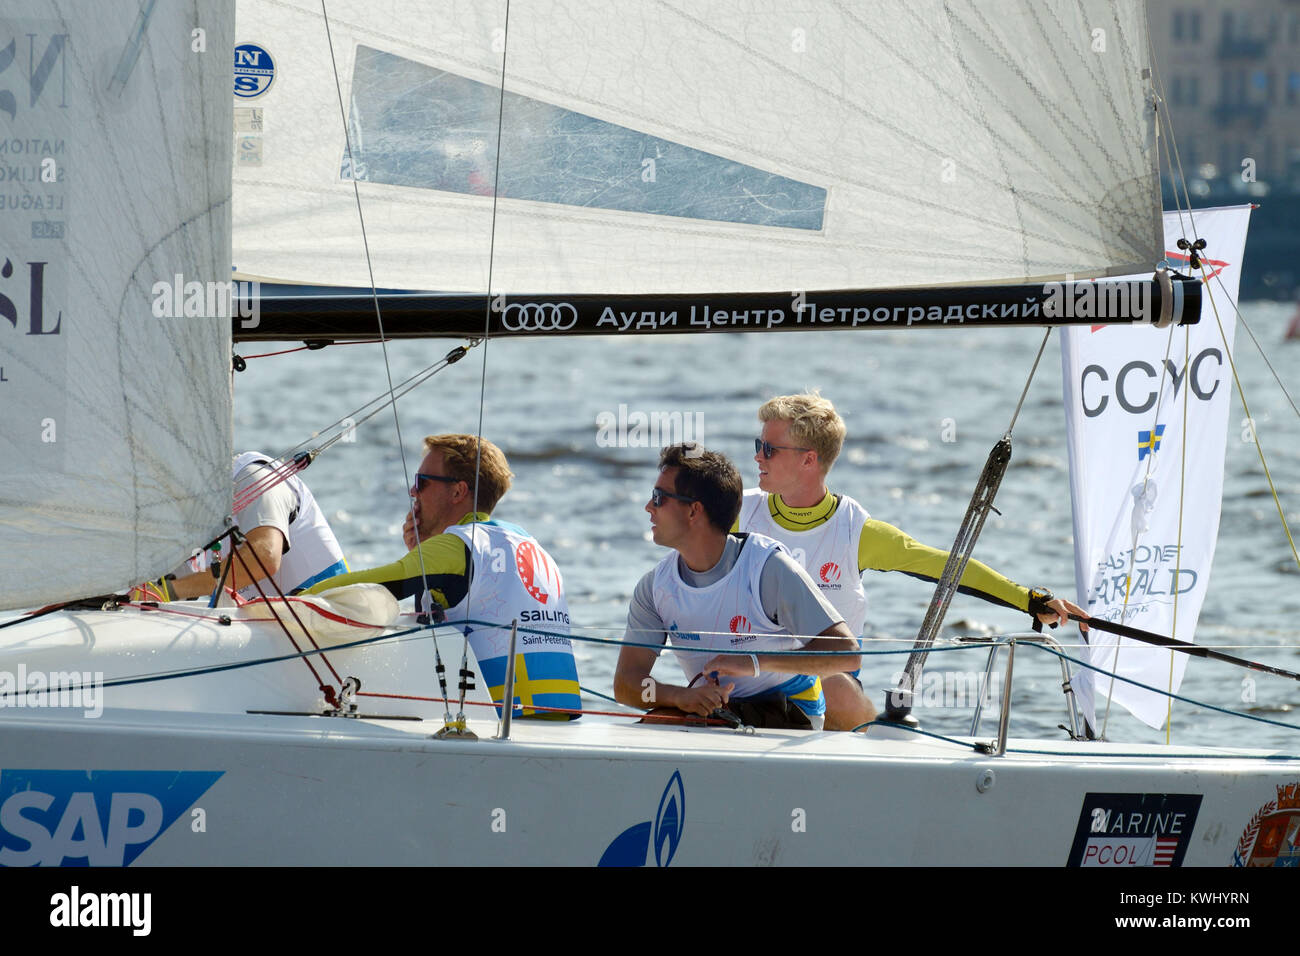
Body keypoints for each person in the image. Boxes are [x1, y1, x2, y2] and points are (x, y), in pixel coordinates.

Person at [738, 393, 1088, 729]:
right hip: (746, 680)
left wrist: (1029, 599)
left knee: (835, 687)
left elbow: (950, 568)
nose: (758, 457)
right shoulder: (737, 513)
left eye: (768, 449)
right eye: (758, 446)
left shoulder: (854, 531)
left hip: (828, 697)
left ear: (808, 459)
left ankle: (873, 753)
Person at [304, 434, 582, 719]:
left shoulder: (457, 546)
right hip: (559, 716)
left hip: (499, 721)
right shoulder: (532, 545)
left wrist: (292, 600)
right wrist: (424, 553)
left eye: (422, 481)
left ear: (458, 492)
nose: (413, 492)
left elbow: (372, 587)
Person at [613, 443, 861, 731]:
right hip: (721, 711)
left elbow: (847, 653)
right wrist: (681, 696)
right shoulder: (654, 587)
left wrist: (753, 662)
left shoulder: (769, 570)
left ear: (694, 511)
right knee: (650, 725)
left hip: (791, 711)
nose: (648, 507)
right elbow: (626, 684)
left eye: (659, 498)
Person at [161, 452, 348, 601]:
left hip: (332, 612)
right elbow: (162, 593)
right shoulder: (182, 520)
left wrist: (171, 591)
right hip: (268, 628)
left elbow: (264, 558)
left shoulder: (253, 475)